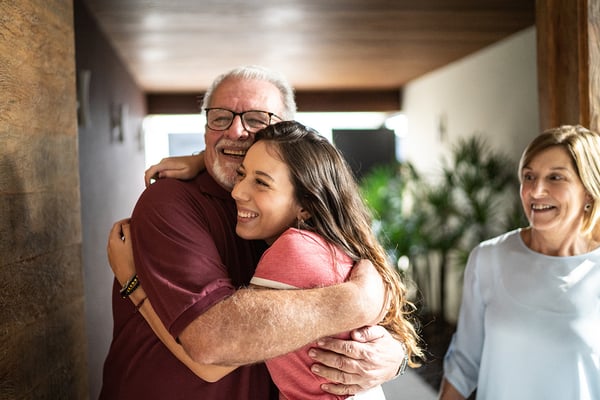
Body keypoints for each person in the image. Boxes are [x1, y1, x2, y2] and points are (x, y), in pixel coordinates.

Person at [101, 65, 407, 400]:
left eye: (257, 119)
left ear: (286, 132)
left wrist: (393, 356)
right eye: (219, 118)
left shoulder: (302, 231)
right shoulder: (170, 203)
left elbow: (376, 310)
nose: (235, 130)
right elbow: (213, 345)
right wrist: (357, 300)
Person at [439, 125, 600, 400]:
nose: (536, 190)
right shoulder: (488, 259)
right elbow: (463, 365)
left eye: (555, 177)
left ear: (588, 191)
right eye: (529, 176)